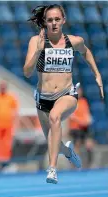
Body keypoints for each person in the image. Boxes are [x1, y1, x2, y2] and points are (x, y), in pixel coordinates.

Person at [23, 4, 104, 184]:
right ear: (44, 22)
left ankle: (52, 169)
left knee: (55, 116)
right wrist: (38, 50)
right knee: (55, 143)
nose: (53, 23)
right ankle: (67, 152)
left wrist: (97, 74)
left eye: (57, 19)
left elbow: (86, 52)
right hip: (43, 99)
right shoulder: (36, 41)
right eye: (50, 20)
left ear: (63, 21)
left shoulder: (73, 41)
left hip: (66, 95)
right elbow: (27, 72)